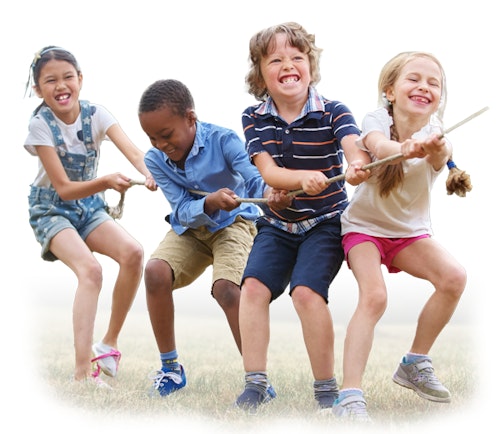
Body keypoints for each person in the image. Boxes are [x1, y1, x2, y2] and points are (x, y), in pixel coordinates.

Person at [234, 22, 371, 412]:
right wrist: (300, 178)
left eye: (297, 57)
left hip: (325, 223)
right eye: (275, 59)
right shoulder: (253, 117)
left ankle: (326, 390)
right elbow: (270, 172)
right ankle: (255, 383)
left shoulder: (334, 111)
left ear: (310, 65)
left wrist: (359, 164)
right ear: (260, 73)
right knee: (254, 290)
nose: (288, 65)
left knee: (307, 294)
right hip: (277, 226)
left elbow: (353, 147)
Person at [335, 51, 467, 421]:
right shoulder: (376, 118)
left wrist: (432, 147)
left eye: (433, 82)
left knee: (454, 278)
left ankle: (414, 362)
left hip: (409, 235)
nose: (424, 86)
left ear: (439, 97)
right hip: (364, 229)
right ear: (390, 90)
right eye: (414, 79)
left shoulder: (436, 134)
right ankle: (349, 396)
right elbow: (377, 145)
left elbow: (442, 153)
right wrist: (402, 149)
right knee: (375, 297)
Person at [137, 79, 287, 397]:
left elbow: (253, 177)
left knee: (228, 290)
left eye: (166, 135)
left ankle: (257, 381)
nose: (161, 144)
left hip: (235, 224)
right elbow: (180, 209)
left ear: (191, 119)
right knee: (154, 272)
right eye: (152, 137)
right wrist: (209, 202)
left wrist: (272, 194)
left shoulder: (224, 140)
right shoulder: (154, 160)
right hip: (191, 228)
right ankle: (170, 369)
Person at [24, 46, 157, 388]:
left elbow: (134, 152)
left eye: (68, 77)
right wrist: (106, 180)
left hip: (89, 207)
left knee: (133, 253)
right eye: (50, 80)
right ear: (39, 89)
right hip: (52, 208)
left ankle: (108, 344)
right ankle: (82, 372)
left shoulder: (97, 115)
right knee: (91, 271)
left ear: (80, 80)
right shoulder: (40, 126)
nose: (61, 85)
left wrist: (152, 173)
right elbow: (65, 188)